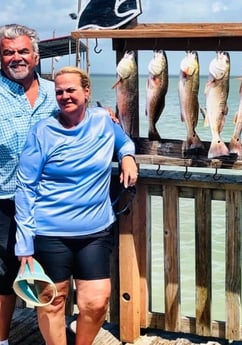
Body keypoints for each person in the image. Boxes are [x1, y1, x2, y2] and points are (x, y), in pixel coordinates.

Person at [14, 66, 138, 345]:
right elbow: (25, 188)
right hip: (49, 232)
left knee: (96, 301)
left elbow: (124, 141)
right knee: (51, 302)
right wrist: (24, 244)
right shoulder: (42, 131)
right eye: (59, 91)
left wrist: (128, 156)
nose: (65, 96)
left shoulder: (103, 121)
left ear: (86, 91)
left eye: (71, 89)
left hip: (95, 232)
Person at [0, 24, 58, 345]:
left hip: (46, 201)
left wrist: (108, 117)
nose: (16, 58)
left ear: (36, 56)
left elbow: (80, 120)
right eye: (8, 52)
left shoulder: (54, 92)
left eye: (23, 51)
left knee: (48, 273)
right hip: (4, 200)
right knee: (3, 275)